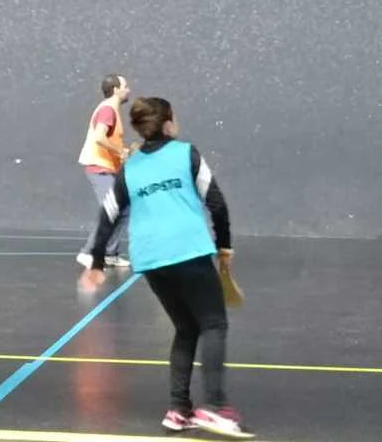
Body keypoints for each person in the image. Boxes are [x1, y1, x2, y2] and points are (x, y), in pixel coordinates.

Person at [79, 96, 252, 439]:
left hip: (151, 259)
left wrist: (97, 260)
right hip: (188, 249)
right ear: (169, 123)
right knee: (213, 324)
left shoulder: (130, 168)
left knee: (186, 328)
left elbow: (109, 213)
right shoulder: (187, 154)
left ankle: (179, 410)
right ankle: (216, 407)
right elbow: (216, 203)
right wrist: (224, 246)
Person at [75, 73, 132, 268]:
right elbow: (99, 137)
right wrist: (120, 151)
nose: (128, 90)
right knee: (110, 209)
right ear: (116, 90)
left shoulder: (111, 110)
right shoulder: (107, 110)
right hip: (99, 167)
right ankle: (87, 253)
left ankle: (109, 253)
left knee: (123, 209)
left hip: (109, 168)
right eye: (125, 86)